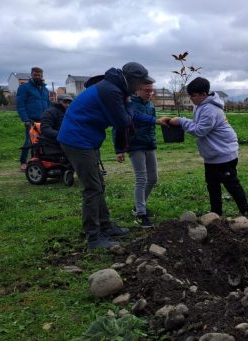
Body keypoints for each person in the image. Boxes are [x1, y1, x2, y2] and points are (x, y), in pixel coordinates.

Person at [58, 62, 167, 251]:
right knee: (92, 188)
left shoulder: (115, 88)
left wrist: (127, 105)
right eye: (140, 83)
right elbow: (123, 121)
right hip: (77, 139)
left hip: (87, 139)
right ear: (132, 80)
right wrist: (130, 106)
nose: (141, 87)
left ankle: (106, 226)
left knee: (98, 184)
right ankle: (93, 238)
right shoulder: (112, 91)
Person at [162, 77, 248, 218]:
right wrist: (182, 122)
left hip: (224, 153)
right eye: (189, 95)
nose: (191, 98)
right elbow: (198, 125)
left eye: (193, 95)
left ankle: (246, 212)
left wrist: (181, 121)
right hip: (212, 154)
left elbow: (200, 130)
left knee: (231, 184)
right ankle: (216, 215)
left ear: (204, 94)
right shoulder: (200, 105)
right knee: (212, 185)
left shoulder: (210, 109)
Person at [115, 80, 159, 228]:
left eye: (152, 90)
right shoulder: (130, 104)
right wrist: (119, 149)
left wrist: (153, 140)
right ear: (137, 90)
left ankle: (138, 206)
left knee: (153, 178)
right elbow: (126, 123)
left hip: (149, 144)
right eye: (147, 90)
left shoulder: (151, 105)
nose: (150, 93)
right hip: (135, 145)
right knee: (141, 178)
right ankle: (141, 214)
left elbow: (152, 126)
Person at [17, 67, 50, 171]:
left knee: (44, 141)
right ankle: (23, 162)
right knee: (29, 141)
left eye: (39, 75)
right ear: (31, 75)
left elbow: (48, 104)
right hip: (31, 120)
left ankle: (39, 160)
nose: (37, 76)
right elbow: (20, 105)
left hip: (44, 120)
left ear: (42, 76)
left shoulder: (45, 89)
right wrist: (25, 119)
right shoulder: (24, 88)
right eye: (35, 75)